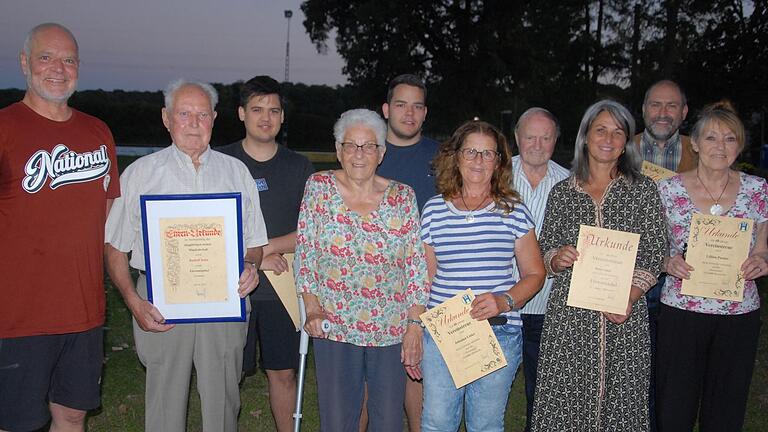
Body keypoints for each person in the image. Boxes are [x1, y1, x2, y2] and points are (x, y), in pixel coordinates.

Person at [104, 79, 268, 432]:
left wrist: (251, 265)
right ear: (166, 118)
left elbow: (254, 241)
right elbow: (115, 248)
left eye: (202, 114)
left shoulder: (236, 173)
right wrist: (134, 301)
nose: (194, 123)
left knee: (223, 402)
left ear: (214, 119)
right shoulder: (140, 175)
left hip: (225, 302)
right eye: (184, 113)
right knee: (164, 402)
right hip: (161, 304)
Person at [0, 23, 120, 432]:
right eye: (46, 57)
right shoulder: (5, 127)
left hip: (84, 310)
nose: (58, 68)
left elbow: (108, 213)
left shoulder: (97, 131)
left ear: (78, 68)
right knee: (19, 421)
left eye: (68, 59)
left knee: (72, 414)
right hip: (18, 314)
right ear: (24, 63)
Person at [531, 100, 667, 432]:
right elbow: (545, 247)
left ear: (627, 141)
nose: (608, 139)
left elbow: (655, 250)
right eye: (600, 129)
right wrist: (556, 257)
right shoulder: (563, 193)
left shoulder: (643, 191)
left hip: (625, 316)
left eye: (618, 132)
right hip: (570, 320)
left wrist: (631, 296)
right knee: (566, 400)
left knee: (623, 400)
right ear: (585, 137)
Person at [295, 108, 429, 431]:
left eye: (368, 146)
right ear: (338, 150)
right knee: (338, 419)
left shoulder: (402, 197)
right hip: (334, 323)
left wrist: (414, 325)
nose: (359, 154)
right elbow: (305, 251)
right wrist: (311, 308)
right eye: (350, 145)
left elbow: (415, 266)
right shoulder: (319, 188)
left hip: (389, 327)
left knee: (387, 419)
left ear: (381, 153)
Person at [420, 120, 546, 432]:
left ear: (499, 162)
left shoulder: (513, 210)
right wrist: (414, 327)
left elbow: (535, 273)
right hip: (443, 335)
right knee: (436, 423)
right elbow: (424, 279)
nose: (479, 161)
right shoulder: (434, 210)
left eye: (488, 154)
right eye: (471, 152)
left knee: (486, 425)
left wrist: (504, 301)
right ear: (455, 156)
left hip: (497, 333)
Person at [655, 102, 767, 432]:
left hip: (738, 315)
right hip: (682, 312)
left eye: (730, 139)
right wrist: (666, 262)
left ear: (740, 145)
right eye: (711, 138)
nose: (720, 146)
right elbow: (650, 248)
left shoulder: (758, 190)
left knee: (726, 410)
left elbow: (763, 248)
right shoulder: (667, 189)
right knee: (674, 407)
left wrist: (761, 261)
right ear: (695, 143)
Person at [217, 75, 313, 431]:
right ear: (241, 113)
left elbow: (311, 229)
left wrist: (266, 249)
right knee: (229, 372)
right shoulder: (220, 161)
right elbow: (207, 225)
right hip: (231, 282)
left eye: (274, 110)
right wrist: (250, 257)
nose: (266, 117)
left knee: (283, 372)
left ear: (282, 117)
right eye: (257, 109)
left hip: (281, 282)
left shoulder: (299, 167)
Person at [374, 73, 439, 432]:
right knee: (371, 378)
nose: (408, 113)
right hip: (374, 282)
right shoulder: (368, 150)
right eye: (401, 104)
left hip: (425, 277)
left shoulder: (440, 157)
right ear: (386, 109)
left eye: (417, 106)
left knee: (417, 370)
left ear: (425, 112)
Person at [634, 79, 695, 431]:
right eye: (655, 104)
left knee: (672, 369)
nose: (663, 112)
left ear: (684, 112)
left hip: (680, 275)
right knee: (633, 365)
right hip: (630, 271)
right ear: (644, 110)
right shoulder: (620, 148)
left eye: (671, 106)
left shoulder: (701, 150)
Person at [511, 108, 569, 432]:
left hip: (549, 305)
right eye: (530, 136)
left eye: (545, 137)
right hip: (502, 302)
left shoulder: (571, 183)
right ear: (517, 137)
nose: (537, 144)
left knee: (544, 393)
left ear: (555, 140)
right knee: (489, 389)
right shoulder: (496, 176)